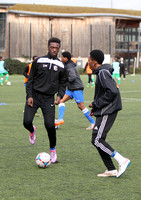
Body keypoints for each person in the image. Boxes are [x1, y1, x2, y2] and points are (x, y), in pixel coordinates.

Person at [23, 37, 67, 163]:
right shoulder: (39, 61)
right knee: (26, 122)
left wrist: (60, 95)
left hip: (49, 99)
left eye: (56, 48)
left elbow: (63, 83)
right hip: (35, 96)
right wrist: (29, 96)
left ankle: (52, 150)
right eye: (52, 47)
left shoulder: (61, 65)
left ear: (59, 48)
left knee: (49, 125)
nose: (54, 50)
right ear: (48, 47)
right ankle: (32, 130)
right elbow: (30, 79)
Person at [88, 49, 130, 178]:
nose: (88, 62)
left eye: (89, 60)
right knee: (98, 139)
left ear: (94, 62)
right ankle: (111, 169)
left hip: (109, 109)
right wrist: (95, 108)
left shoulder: (102, 73)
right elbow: (104, 93)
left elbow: (112, 92)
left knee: (97, 139)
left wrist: (96, 104)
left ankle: (122, 160)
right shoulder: (101, 72)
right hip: (105, 109)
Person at [55, 51, 95, 130]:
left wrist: (64, 80)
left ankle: (93, 123)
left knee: (81, 106)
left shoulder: (69, 66)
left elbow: (72, 77)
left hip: (77, 88)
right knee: (61, 101)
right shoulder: (67, 65)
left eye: (62, 57)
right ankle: (60, 120)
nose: (61, 58)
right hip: (70, 89)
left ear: (66, 58)